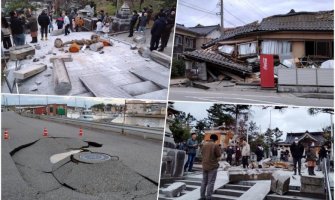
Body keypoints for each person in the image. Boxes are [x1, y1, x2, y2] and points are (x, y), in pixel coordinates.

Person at [200, 134, 221, 200]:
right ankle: (208, 197)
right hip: (212, 166)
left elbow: (202, 154)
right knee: (211, 182)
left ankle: (202, 196)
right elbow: (218, 155)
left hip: (204, 165)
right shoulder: (215, 145)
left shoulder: (204, 145)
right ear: (215, 140)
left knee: (204, 181)